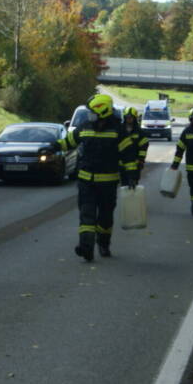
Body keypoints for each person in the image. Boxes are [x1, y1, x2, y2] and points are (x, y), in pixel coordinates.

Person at [57, 93, 137, 260]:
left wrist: (131, 176)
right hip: (86, 182)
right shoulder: (85, 126)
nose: (89, 115)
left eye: (92, 112)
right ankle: (86, 247)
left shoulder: (118, 131)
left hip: (108, 184)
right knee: (87, 214)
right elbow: (68, 142)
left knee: (105, 218)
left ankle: (103, 243)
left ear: (102, 112)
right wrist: (51, 147)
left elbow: (129, 156)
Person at [121, 106, 149, 184]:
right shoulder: (120, 130)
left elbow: (144, 147)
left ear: (135, 118)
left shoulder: (139, 132)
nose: (129, 119)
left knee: (133, 184)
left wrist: (141, 160)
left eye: (131, 117)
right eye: (127, 117)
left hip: (135, 164)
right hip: (121, 164)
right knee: (123, 184)